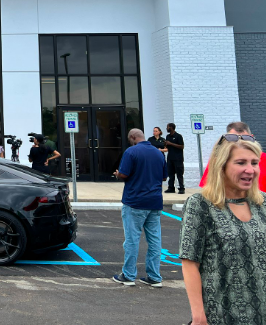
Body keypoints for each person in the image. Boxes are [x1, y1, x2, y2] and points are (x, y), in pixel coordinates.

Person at [180, 134, 266, 324]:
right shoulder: (200, 205)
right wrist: (198, 316)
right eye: (241, 162)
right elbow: (190, 263)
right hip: (220, 314)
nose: (250, 170)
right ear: (222, 165)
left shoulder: (263, 203)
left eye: (254, 162)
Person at [112, 128, 167, 288]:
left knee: (132, 240)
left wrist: (117, 174)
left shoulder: (131, 152)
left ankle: (128, 275)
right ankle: (154, 276)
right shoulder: (158, 153)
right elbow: (164, 176)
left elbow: (124, 174)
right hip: (155, 202)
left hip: (135, 201)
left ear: (133, 137)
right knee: (155, 240)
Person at [199, 121, 266, 192]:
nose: (240, 142)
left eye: (245, 138)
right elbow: (209, 186)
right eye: (234, 138)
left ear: (252, 137)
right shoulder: (220, 158)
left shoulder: (264, 158)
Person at [164, 122, 185, 194]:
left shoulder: (178, 136)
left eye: (167, 127)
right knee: (171, 174)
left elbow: (181, 146)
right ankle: (171, 188)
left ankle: (181, 188)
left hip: (178, 158)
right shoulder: (168, 136)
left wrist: (171, 143)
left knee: (179, 174)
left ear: (171, 128)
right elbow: (167, 147)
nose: (166, 128)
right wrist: (166, 144)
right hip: (170, 158)